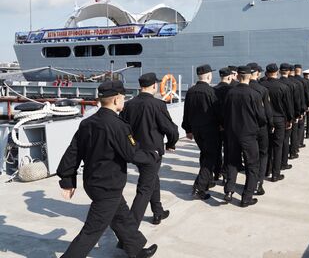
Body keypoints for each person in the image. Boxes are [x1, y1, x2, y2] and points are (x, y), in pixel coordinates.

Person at [56, 80, 158, 258]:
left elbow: (73, 152)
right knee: (91, 231)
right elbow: (131, 154)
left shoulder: (87, 123)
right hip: (107, 185)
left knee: (122, 218)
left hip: (94, 183)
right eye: (124, 98)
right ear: (117, 100)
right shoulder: (118, 126)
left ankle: (136, 250)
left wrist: (67, 179)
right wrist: (153, 156)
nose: (124, 102)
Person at [120, 73, 179, 227]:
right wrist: (171, 143)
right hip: (152, 153)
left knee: (152, 179)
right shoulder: (158, 105)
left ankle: (158, 211)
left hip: (135, 152)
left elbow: (123, 130)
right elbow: (171, 129)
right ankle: (129, 230)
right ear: (154, 86)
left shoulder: (128, 105)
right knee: (144, 189)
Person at [223, 66, 267, 207]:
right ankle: (246, 197)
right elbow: (261, 117)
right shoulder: (254, 95)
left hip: (232, 133)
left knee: (232, 162)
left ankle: (229, 191)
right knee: (252, 165)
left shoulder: (230, 93)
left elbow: (225, 114)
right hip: (248, 134)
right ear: (249, 76)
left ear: (238, 76)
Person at [182, 64, 220, 200]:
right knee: (211, 156)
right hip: (210, 129)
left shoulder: (190, 91)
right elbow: (217, 112)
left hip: (196, 130)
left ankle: (208, 180)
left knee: (204, 154)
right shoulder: (211, 92)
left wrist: (188, 129)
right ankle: (200, 186)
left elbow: (186, 112)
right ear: (209, 76)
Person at [261, 63, 293, 182]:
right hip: (279, 119)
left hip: (264, 120)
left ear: (267, 72)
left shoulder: (261, 85)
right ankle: (275, 174)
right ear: (277, 72)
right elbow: (288, 106)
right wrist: (289, 119)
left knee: (266, 146)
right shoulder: (283, 87)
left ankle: (266, 170)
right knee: (278, 146)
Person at [247, 63, 274, 195]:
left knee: (250, 157)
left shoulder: (238, 88)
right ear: (257, 73)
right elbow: (267, 112)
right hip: (261, 127)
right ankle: (259, 183)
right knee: (263, 155)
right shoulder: (262, 90)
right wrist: (271, 125)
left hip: (245, 128)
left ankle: (250, 181)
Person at [278, 63, 301, 162]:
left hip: (275, 117)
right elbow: (296, 102)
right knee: (288, 138)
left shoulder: (277, 83)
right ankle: (288, 157)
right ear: (288, 71)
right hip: (288, 116)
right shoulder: (293, 84)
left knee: (278, 142)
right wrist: (295, 116)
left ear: (279, 71)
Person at [213, 67, 233, 181]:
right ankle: (226, 174)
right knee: (228, 150)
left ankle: (216, 172)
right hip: (228, 125)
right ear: (230, 77)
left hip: (216, 125)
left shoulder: (213, 89)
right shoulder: (232, 90)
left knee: (216, 149)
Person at [294, 64, 309, 148]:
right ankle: (299, 143)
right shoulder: (303, 81)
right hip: (301, 108)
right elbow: (306, 95)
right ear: (300, 71)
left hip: (292, 108)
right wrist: (307, 106)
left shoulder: (291, 80)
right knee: (300, 126)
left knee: (293, 129)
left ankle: (294, 145)